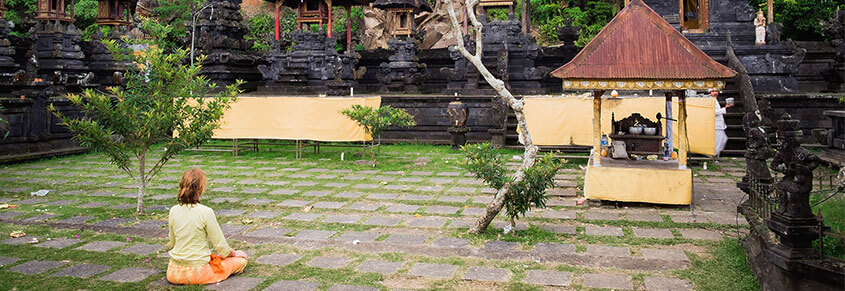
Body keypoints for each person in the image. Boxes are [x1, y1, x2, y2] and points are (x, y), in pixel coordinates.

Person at [165, 168, 248, 285]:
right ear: (201, 188)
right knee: (241, 260)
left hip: (173, 272)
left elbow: (172, 242)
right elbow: (221, 248)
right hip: (197, 272)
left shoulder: (173, 210)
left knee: (216, 259)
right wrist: (235, 253)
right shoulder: (206, 212)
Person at [711, 89, 732, 158]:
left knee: (723, 139)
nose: (715, 93)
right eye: (713, 91)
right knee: (718, 141)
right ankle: (714, 156)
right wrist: (724, 108)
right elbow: (713, 112)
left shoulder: (715, 100)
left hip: (720, 124)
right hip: (716, 125)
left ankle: (715, 155)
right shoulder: (711, 101)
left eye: (716, 91)